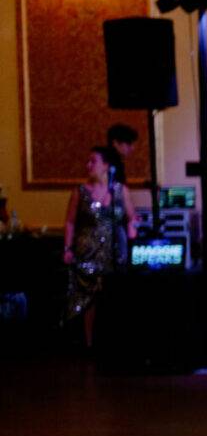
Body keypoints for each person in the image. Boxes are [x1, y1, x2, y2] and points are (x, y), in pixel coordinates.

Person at [63, 146, 136, 346]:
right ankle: (90, 343)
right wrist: (67, 248)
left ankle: (113, 341)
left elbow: (131, 218)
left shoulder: (120, 191)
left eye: (93, 161)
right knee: (89, 300)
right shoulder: (80, 192)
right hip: (87, 252)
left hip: (114, 252)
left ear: (106, 166)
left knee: (113, 296)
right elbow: (70, 222)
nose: (88, 166)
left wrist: (132, 234)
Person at [104, 123, 138, 189]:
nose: (132, 148)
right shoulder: (112, 163)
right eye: (128, 143)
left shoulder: (112, 160)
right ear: (115, 143)